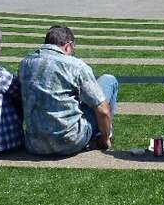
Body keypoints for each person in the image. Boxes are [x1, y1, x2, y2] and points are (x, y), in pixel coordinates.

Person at [18, 25, 118, 156]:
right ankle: (102, 137)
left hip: (34, 144)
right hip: (70, 142)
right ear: (68, 46)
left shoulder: (25, 64)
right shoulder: (75, 65)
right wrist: (105, 139)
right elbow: (103, 110)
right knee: (108, 80)